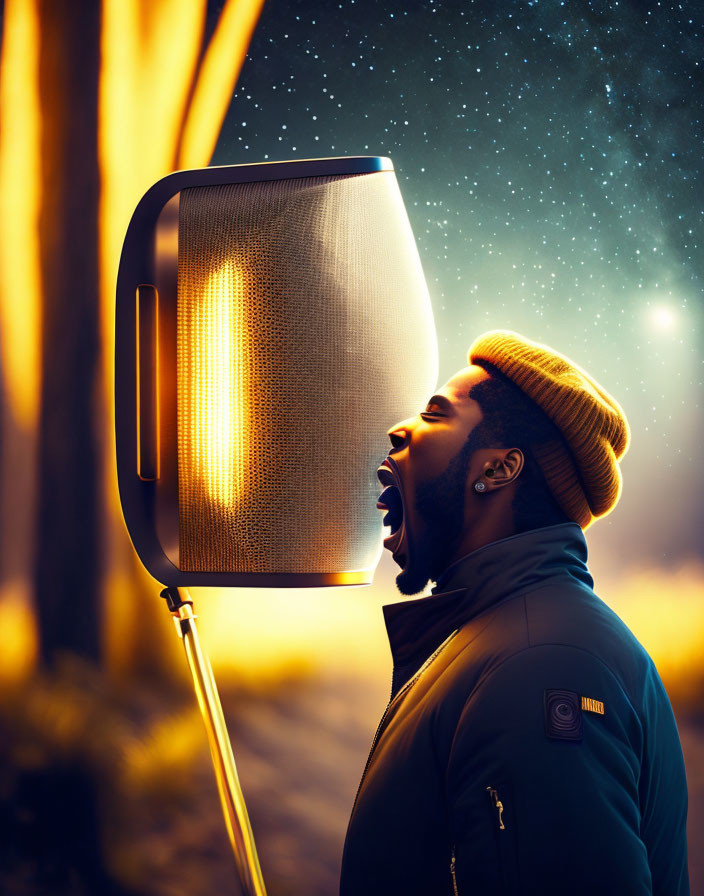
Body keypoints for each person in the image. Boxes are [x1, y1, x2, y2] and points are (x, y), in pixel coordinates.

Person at [339, 330, 689, 895]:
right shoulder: (511, 641)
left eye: (434, 414)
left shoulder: (540, 668)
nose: (399, 430)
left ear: (498, 470)